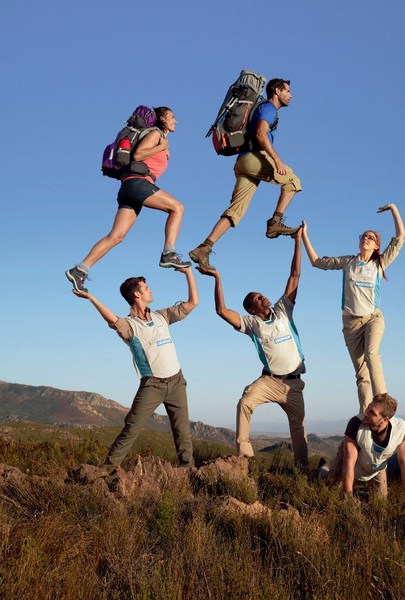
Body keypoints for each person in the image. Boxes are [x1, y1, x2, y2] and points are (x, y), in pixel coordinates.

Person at [197, 230, 308, 469]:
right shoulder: (251, 324)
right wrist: (217, 278)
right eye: (257, 298)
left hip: (294, 385)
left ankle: (302, 469)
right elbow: (221, 311)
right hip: (269, 382)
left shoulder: (283, 309)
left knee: (298, 428)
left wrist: (298, 241)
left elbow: (295, 275)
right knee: (245, 402)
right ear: (251, 309)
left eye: (261, 294)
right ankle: (245, 459)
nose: (263, 297)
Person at [72, 267, 198, 468]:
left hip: (177, 383)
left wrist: (188, 273)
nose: (151, 291)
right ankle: (108, 469)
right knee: (132, 427)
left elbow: (193, 303)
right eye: (147, 288)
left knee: (182, 430)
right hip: (152, 386)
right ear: (137, 294)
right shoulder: (129, 326)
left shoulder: (162, 316)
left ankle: (188, 469)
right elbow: (112, 319)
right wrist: (90, 297)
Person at [66, 106, 191, 293]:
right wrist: (160, 146)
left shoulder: (160, 138)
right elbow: (138, 154)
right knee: (177, 208)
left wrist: (162, 149)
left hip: (128, 188)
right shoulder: (155, 134)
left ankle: (80, 270)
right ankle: (169, 253)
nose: (176, 121)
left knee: (116, 236)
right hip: (138, 184)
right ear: (163, 120)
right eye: (172, 117)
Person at [300, 203, 405, 415]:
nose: (365, 238)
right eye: (363, 236)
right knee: (361, 374)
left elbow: (400, 237)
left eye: (370, 237)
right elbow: (316, 262)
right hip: (350, 323)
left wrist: (393, 209)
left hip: (373, 318)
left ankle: (382, 400)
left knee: (371, 352)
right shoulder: (348, 262)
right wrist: (304, 236)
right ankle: (367, 413)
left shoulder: (379, 263)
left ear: (376, 246)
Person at [189, 79, 302, 274]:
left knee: (235, 211)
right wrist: (276, 160)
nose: (291, 95)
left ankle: (204, 248)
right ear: (277, 91)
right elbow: (260, 134)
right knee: (293, 181)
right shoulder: (269, 108)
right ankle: (275, 222)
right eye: (288, 91)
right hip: (254, 158)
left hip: (242, 162)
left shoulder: (264, 108)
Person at [320, 393, 405, 512]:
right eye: (368, 408)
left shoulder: (400, 429)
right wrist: (348, 495)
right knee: (328, 487)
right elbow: (349, 462)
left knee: (380, 505)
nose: (366, 413)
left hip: (377, 467)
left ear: (385, 419)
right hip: (353, 462)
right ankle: (323, 468)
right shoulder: (356, 423)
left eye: (372, 413)